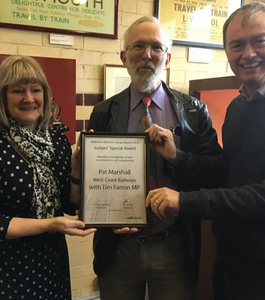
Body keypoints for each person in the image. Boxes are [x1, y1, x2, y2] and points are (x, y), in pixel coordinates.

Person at [147, 2, 265, 300]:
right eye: (237, 45)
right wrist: (177, 157)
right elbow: (229, 173)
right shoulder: (238, 106)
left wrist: (185, 201)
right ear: (227, 52)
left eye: (259, 41)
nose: (248, 54)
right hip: (232, 254)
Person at [88, 16, 227, 300]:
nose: (147, 55)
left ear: (168, 58)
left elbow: (216, 172)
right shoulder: (104, 112)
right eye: (138, 46)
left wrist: (178, 156)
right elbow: (95, 182)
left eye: (156, 47)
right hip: (118, 249)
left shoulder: (193, 111)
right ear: (124, 56)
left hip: (175, 244)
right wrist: (103, 216)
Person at [0, 55, 95, 300]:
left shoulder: (57, 141)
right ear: (2, 97)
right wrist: (50, 224)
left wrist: (76, 169)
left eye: (36, 90)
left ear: (45, 96)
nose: (29, 98)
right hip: (0, 268)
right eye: (17, 91)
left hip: (49, 263)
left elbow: (69, 203)